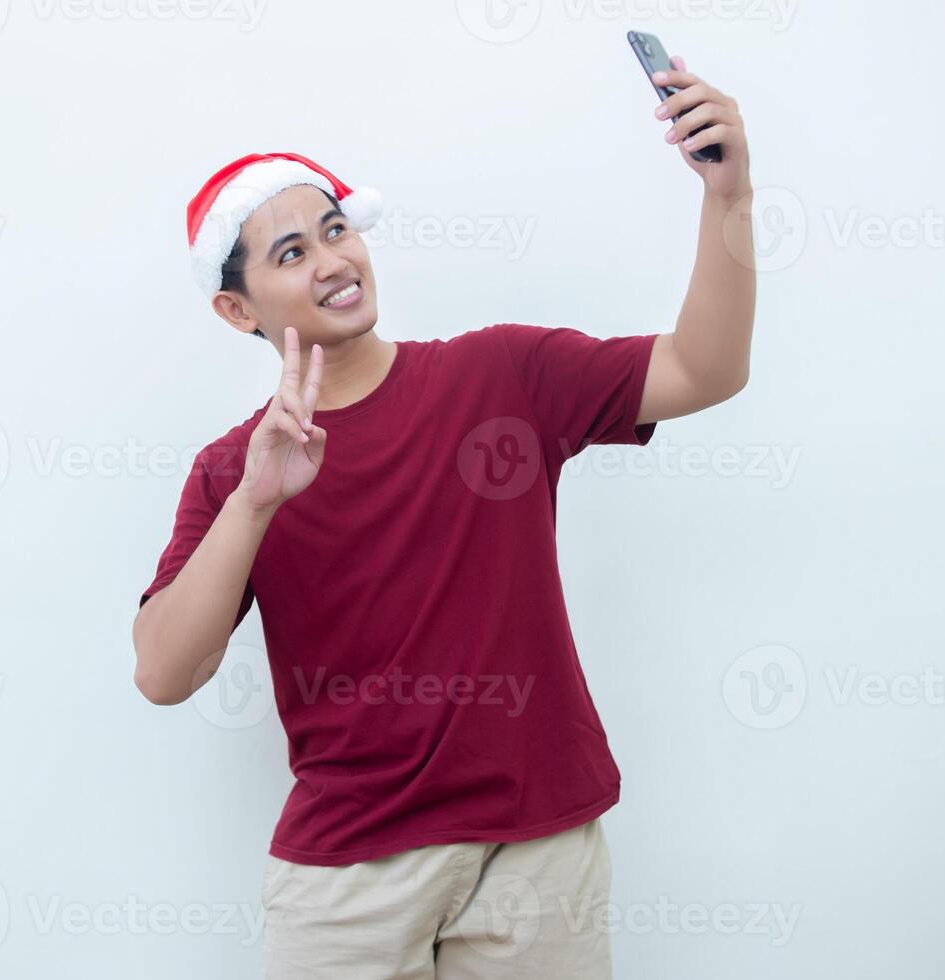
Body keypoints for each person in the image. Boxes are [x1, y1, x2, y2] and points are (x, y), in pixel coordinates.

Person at [133, 57, 754, 979]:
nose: (334, 260)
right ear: (236, 308)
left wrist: (729, 194)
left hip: (537, 856)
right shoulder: (234, 470)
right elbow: (163, 673)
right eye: (291, 253)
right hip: (345, 881)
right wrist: (258, 502)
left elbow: (706, 371)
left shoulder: (501, 375)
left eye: (335, 230)